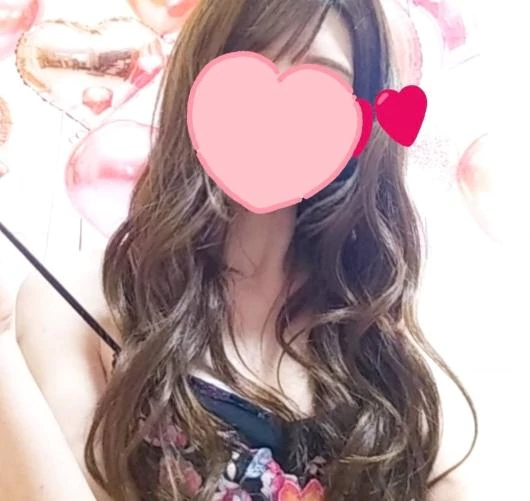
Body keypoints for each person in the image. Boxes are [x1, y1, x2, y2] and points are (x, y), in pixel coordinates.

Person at [0, 0, 478, 500]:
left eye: (323, 85)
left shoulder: (382, 338)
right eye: (247, 66)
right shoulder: (77, 304)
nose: (275, 115)